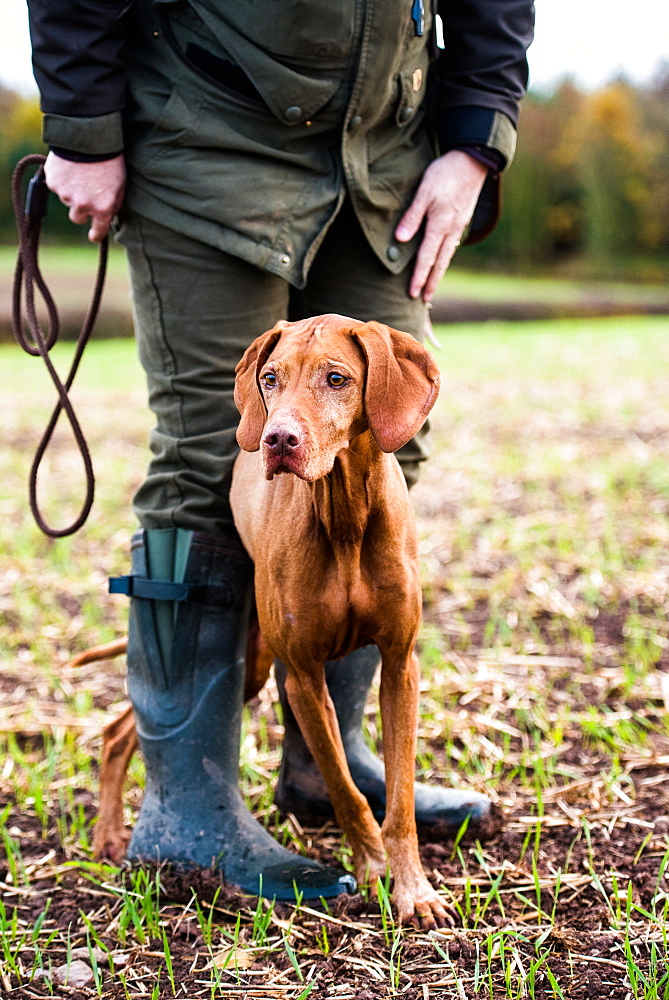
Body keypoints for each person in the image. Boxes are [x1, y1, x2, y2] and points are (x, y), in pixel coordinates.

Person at [27, 0, 535, 900]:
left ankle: (322, 768)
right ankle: (188, 807)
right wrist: (81, 123)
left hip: (386, 153)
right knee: (207, 459)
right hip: (204, 133)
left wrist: (474, 142)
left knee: (385, 446)